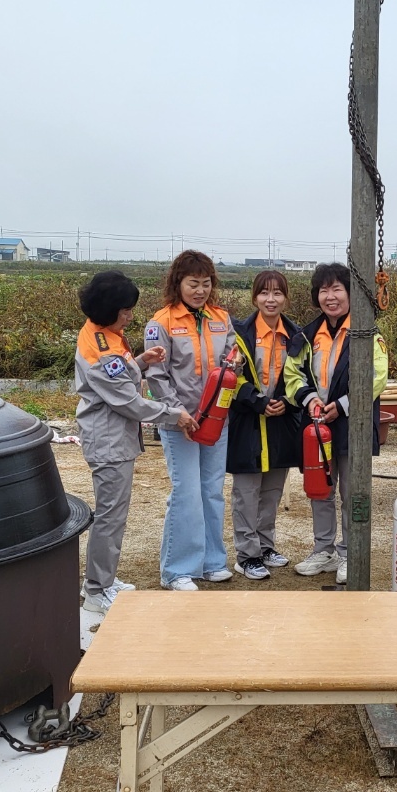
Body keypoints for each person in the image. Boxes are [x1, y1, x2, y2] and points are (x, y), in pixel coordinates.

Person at [74, 271, 197, 613]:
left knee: (114, 514)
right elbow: (128, 402)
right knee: (111, 517)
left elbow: (121, 374)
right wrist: (174, 414)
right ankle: (97, 589)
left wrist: (142, 361)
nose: (130, 316)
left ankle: (104, 579)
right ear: (108, 310)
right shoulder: (101, 351)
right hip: (109, 442)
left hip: (114, 437)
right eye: (125, 310)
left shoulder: (103, 335)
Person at [283, 263, 388, 585]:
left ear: (350, 294)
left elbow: (377, 377)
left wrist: (342, 406)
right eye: (323, 290)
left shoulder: (367, 332)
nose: (330, 297)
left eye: (337, 289)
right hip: (317, 425)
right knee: (321, 489)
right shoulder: (307, 335)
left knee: (351, 492)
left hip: (352, 424)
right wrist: (310, 400)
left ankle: (349, 553)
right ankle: (323, 550)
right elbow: (292, 373)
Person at [145, 250, 236, 591]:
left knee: (212, 491)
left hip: (215, 421)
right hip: (178, 422)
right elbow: (156, 375)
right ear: (178, 283)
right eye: (193, 283)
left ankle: (212, 561)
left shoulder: (221, 318)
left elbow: (230, 362)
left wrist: (235, 365)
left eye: (206, 283)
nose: (200, 290)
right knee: (186, 493)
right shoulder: (161, 322)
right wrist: (177, 413)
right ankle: (178, 570)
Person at [226, 270, 304, 580]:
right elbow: (230, 376)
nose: (271, 299)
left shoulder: (296, 335)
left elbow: (302, 375)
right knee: (246, 492)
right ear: (255, 297)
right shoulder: (238, 333)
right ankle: (247, 555)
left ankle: (265, 545)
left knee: (272, 490)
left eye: (277, 293)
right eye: (264, 293)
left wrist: (287, 400)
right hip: (248, 420)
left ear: (286, 298)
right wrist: (256, 401)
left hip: (282, 421)